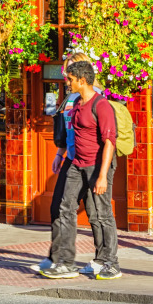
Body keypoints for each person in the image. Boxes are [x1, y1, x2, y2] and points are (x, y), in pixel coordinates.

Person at [42, 60, 122, 280]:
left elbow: (109, 143)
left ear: (82, 80)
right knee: (64, 208)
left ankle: (111, 263)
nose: (66, 82)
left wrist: (103, 175)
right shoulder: (76, 102)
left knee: (102, 214)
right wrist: (62, 154)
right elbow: (71, 135)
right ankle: (65, 263)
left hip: (97, 166)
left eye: (70, 79)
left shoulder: (102, 105)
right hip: (77, 164)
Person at [30, 53, 105, 275]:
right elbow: (66, 130)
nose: (67, 75)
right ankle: (57, 257)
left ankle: (101, 259)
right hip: (72, 158)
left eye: (71, 70)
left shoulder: (94, 98)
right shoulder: (70, 97)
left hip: (90, 160)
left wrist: (101, 169)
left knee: (95, 212)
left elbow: (104, 135)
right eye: (66, 70)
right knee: (58, 207)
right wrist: (59, 154)